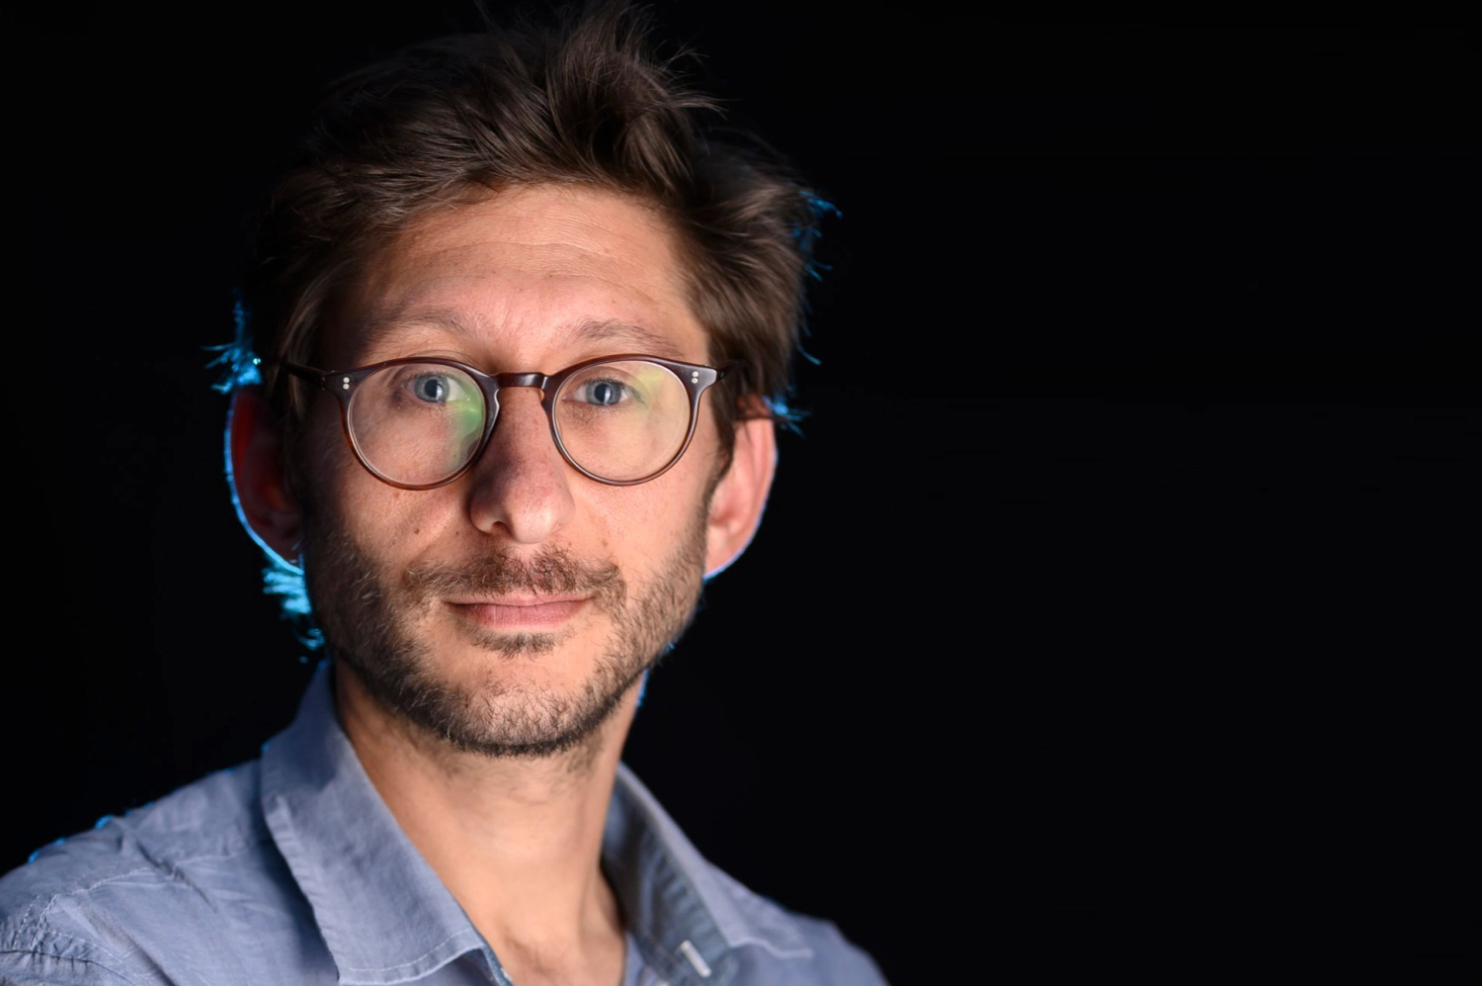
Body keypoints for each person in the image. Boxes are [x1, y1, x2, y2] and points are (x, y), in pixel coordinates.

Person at [0, 3, 885, 984]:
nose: (523, 499)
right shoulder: (91, 959)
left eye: (605, 388)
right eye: (427, 385)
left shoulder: (817, 973)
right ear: (271, 469)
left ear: (734, 486)